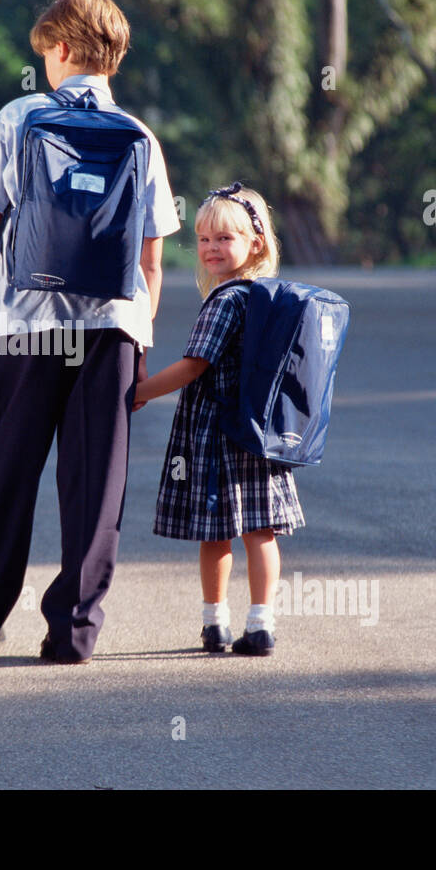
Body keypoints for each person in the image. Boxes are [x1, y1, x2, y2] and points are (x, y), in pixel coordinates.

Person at [0, 0, 180, 663]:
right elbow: (152, 260)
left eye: (45, 52)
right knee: (96, 485)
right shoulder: (140, 135)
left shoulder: (20, 117)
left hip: (25, 324)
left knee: (9, 475)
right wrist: (137, 335)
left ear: (63, 48)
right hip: (111, 332)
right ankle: (73, 631)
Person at [133, 184, 305, 657]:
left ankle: (216, 623)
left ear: (255, 243)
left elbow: (193, 365)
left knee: (217, 529)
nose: (211, 248)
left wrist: (134, 394)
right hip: (257, 431)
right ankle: (261, 624)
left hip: (215, 432)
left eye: (224, 239)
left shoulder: (227, 300)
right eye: (204, 239)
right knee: (260, 530)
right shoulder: (265, 295)